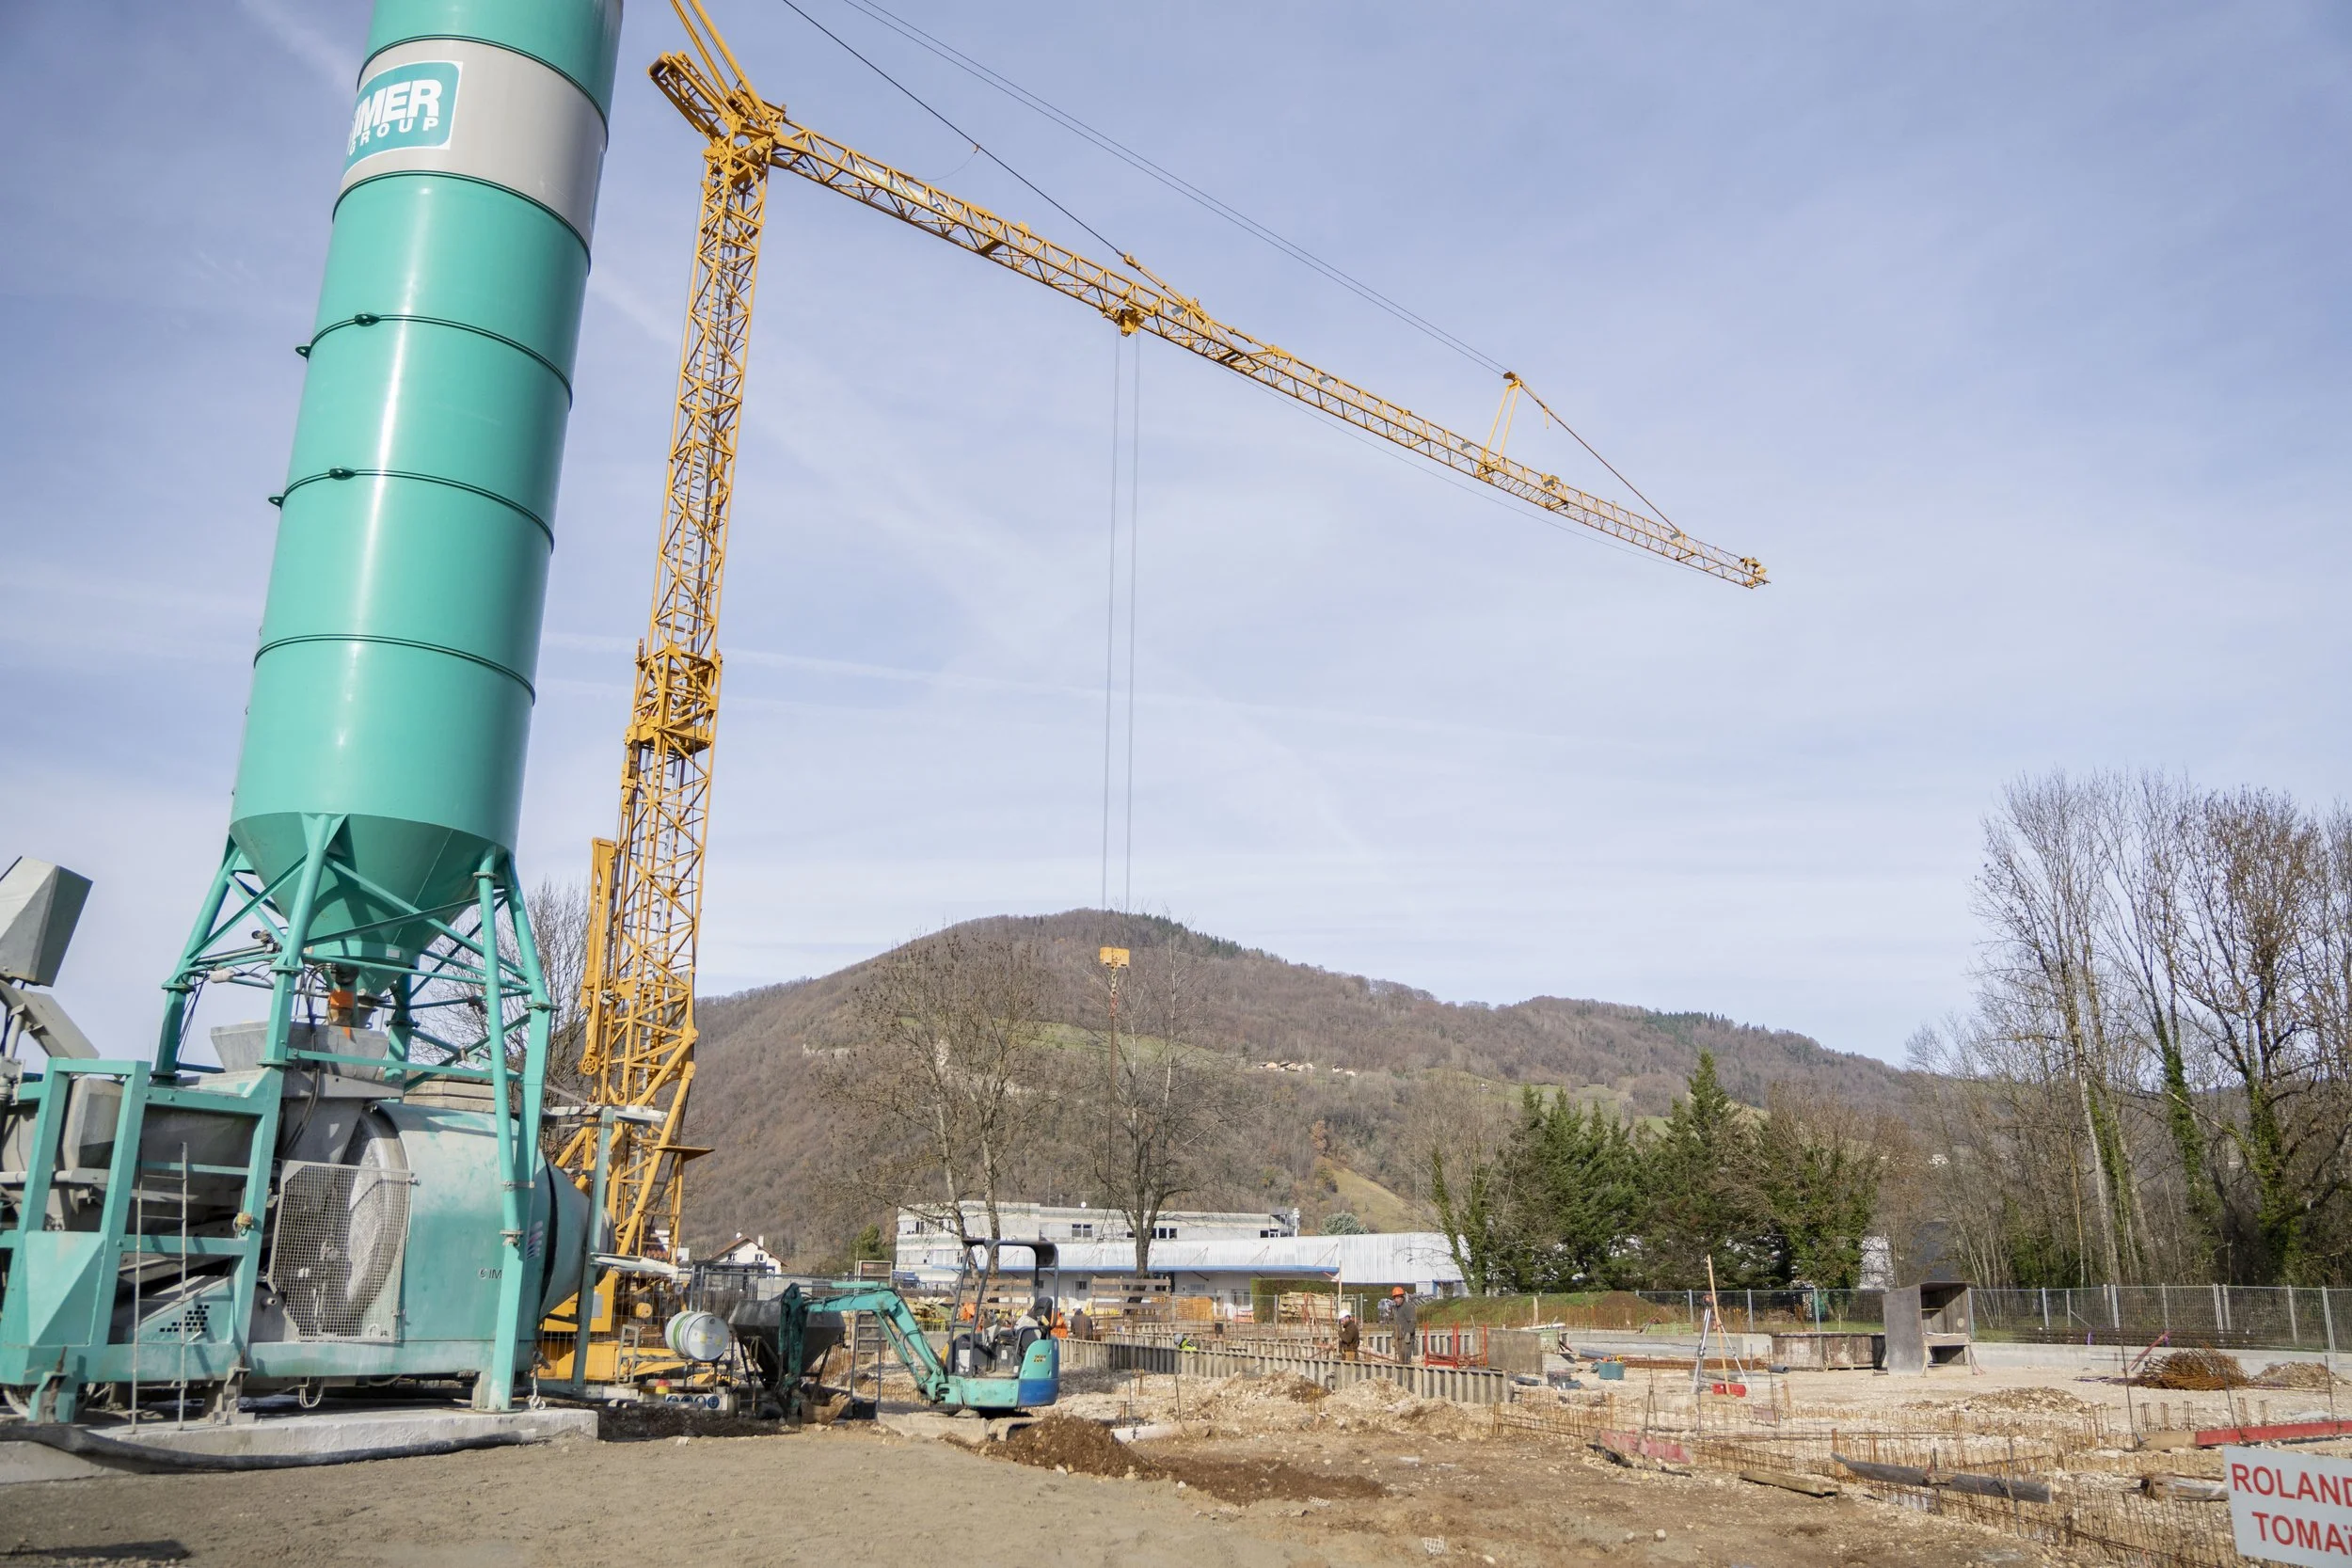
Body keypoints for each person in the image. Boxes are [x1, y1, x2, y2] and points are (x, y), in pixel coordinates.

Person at [1393, 1286, 1417, 1365]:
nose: (1396, 1300)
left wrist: (1409, 1333)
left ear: (1402, 1297)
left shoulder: (1407, 1307)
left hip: (1407, 1339)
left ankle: (1407, 1371)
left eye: (1397, 1298)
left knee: (1406, 1360)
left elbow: (1412, 1321)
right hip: (1399, 1338)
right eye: (1395, 1298)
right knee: (1401, 1360)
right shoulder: (1397, 1308)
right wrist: (1394, 1335)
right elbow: (1397, 1323)